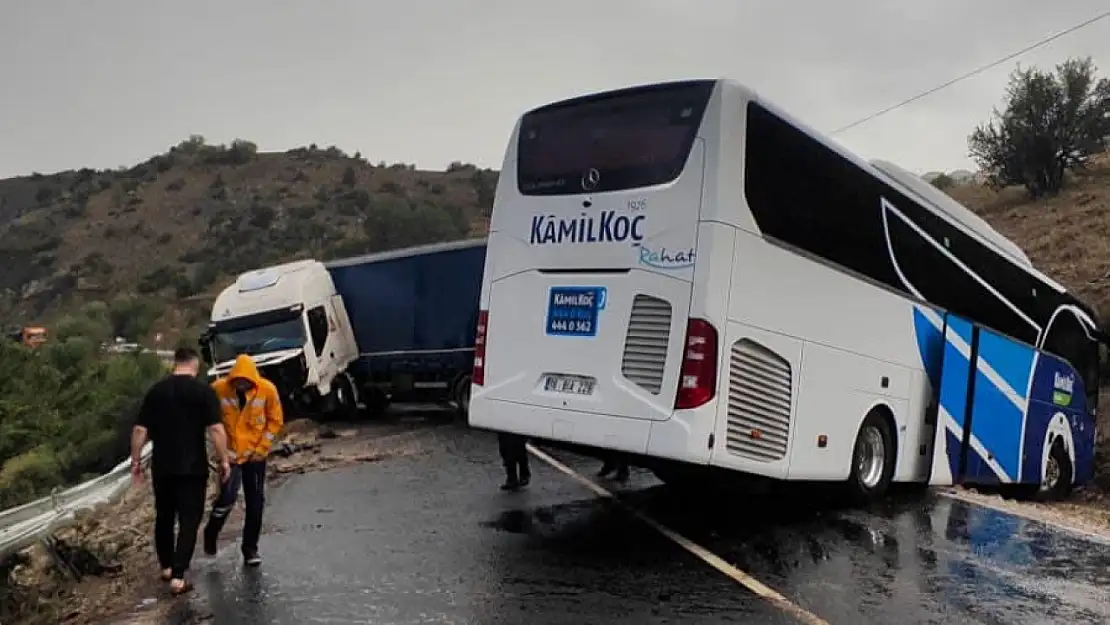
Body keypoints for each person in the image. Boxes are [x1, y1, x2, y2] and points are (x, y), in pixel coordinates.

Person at [130, 347, 231, 596]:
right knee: (189, 519)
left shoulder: (156, 391)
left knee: (164, 516)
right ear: (195, 365)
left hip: (162, 467)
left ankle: (165, 567)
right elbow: (216, 430)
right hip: (192, 467)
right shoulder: (202, 392)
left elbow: (139, 431)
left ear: (175, 364)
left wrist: (135, 461)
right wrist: (224, 460)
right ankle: (178, 576)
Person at [202, 354, 284, 567]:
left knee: (255, 502)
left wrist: (262, 448)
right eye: (238, 381)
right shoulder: (218, 390)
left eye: (245, 382)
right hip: (230, 457)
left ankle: (250, 549)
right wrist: (219, 452)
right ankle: (211, 533)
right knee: (226, 499)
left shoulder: (267, 390)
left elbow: (275, 421)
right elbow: (209, 421)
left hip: (255, 456)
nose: (241, 385)